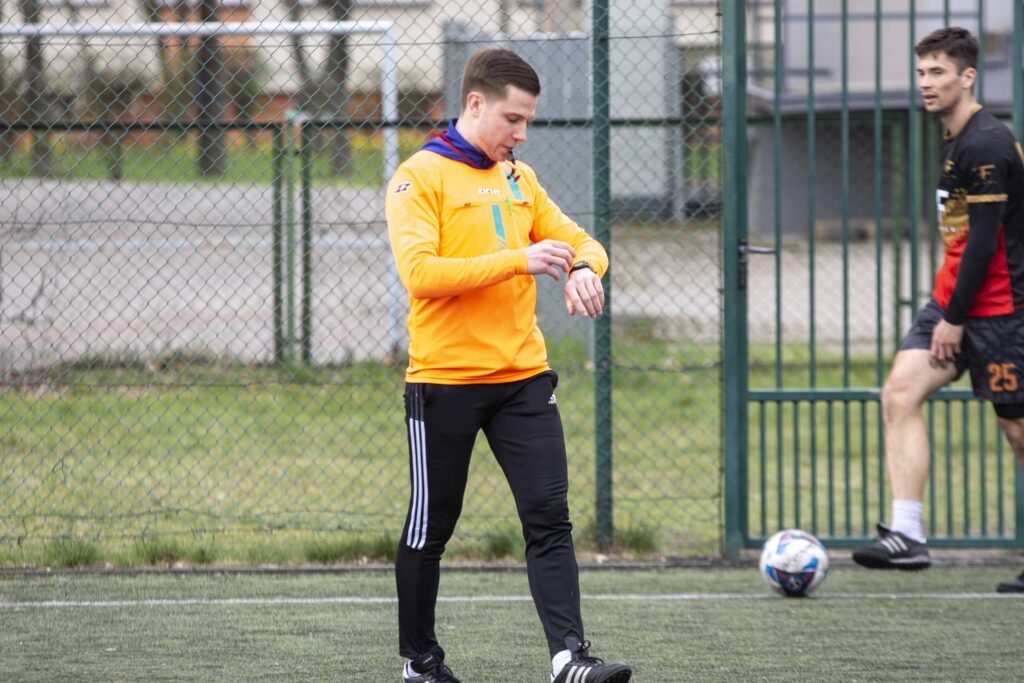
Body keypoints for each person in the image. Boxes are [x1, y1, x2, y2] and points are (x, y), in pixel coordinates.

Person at [385, 48, 634, 683]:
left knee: (549, 517)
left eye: (527, 122)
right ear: (475, 104)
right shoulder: (419, 177)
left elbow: (583, 241)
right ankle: (420, 663)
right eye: (513, 120)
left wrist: (584, 269)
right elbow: (420, 274)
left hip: (523, 379)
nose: (521, 135)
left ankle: (569, 659)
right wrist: (518, 261)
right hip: (444, 382)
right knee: (431, 527)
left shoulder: (520, 178)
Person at [851, 27, 1024, 593]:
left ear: (968, 77)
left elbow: (984, 242)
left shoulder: (987, 143)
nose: (926, 83)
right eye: (921, 72)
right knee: (900, 393)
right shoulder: (955, 139)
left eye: (938, 72)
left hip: (1002, 310)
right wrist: (947, 309)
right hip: (954, 301)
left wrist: (953, 318)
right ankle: (907, 534)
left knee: (1018, 431)